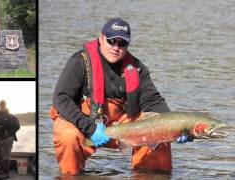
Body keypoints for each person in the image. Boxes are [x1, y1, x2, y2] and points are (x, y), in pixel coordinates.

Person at [50, 17, 193, 175]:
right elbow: (61, 98)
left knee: (159, 134)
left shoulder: (137, 68)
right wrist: (90, 128)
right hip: (83, 122)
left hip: (122, 127)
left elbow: (153, 102)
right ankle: (71, 176)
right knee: (67, 136)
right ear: (101, 38)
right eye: (111, 41)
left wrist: (176, 128)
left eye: (122, 43)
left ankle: (147, 176)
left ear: (128, 45)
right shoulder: (79, 61)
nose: (116, 47)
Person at [0, 100, 20, 180]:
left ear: (5, 106)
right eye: (1, 105)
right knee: (0, 155)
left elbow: (17, 126)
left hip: (8, 139)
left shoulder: (11, 116)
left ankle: (6, 173)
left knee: (5, 155)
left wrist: (8, 133)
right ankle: (1, 170)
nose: (2, 107)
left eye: (3, 105)